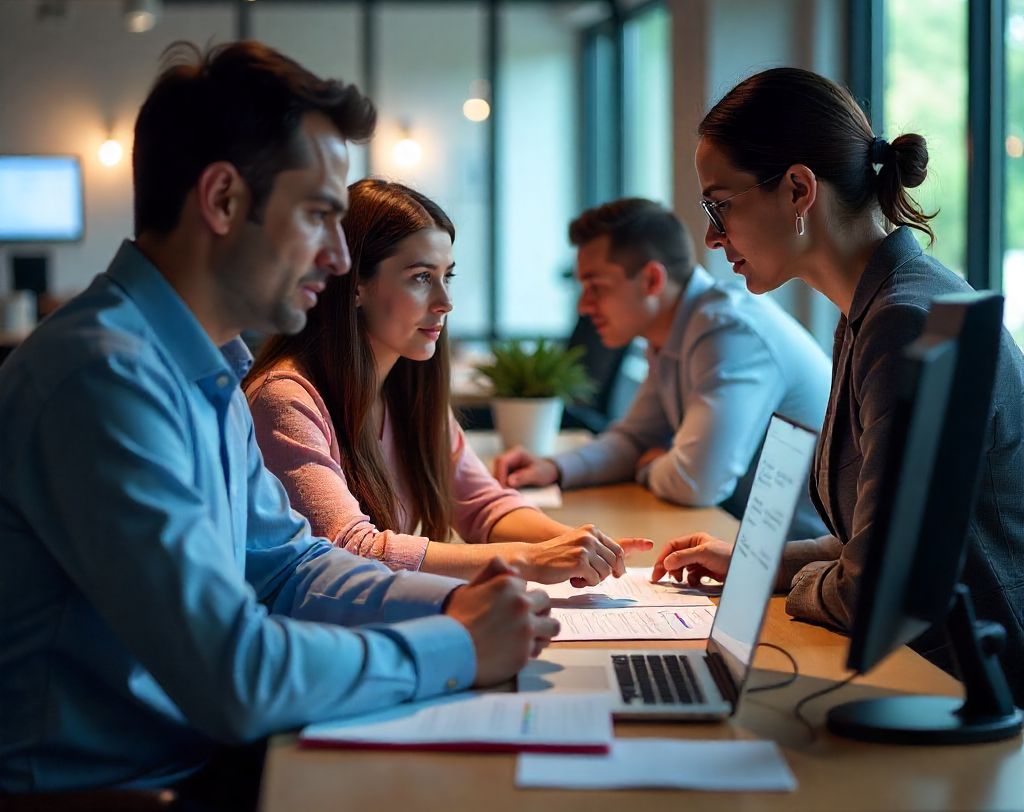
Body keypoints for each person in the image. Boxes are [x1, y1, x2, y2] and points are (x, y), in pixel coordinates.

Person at [0, 41, 559, 799]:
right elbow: (235, 675)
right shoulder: (104, 379)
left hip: (194, 763)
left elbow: (289, 568)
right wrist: (458, 644)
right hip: (120, 791)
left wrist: (456, 602)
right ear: (224, 200)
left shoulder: (205, 365)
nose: (337, 258)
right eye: (320, 216)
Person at [654, 66, 1024, 704]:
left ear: (799, 189)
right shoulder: (876, 309)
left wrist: (780, 583)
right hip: (934, 669)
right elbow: (885, 537)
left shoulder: (903, 321)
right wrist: (755, 561)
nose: (712, 236)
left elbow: (875, 584)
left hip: (966, 682)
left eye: (720, 204)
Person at [244, 179, 650, 587]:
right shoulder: (284, 400)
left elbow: (484, 506)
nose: (445, 301)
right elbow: (349, 551)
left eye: (446, 277)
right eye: (421, 277)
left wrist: (576, 543)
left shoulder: (406, 390)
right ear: (355, 287)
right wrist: (529, 558)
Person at [493, 198, 831, 539]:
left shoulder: (727, 330)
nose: (584, 305)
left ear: (652, 280)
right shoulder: (675, 331)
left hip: (799, 561)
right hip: (744, 539)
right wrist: (554, 468)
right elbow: (635, 439)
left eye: (596, 287)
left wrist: (649, 466)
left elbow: (696, 482)